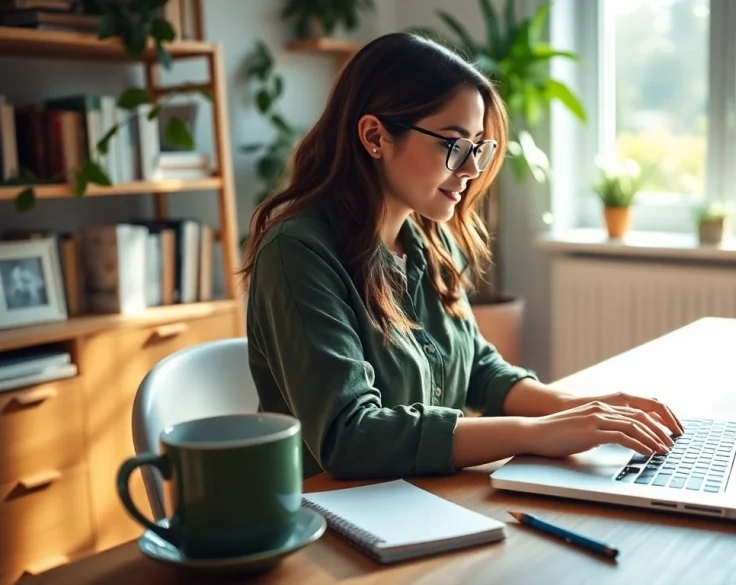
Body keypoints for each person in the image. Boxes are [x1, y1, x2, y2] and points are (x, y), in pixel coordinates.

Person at [240, 32, 684, 481]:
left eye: (478, 147)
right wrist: (537, 433)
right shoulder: (297, 253)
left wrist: (588, 409)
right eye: (453, 144)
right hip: (327, 509)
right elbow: (350, 435)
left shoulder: (430, 239)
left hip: (420, 495)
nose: (472, 169)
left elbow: (477, 369)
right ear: (375, 136)